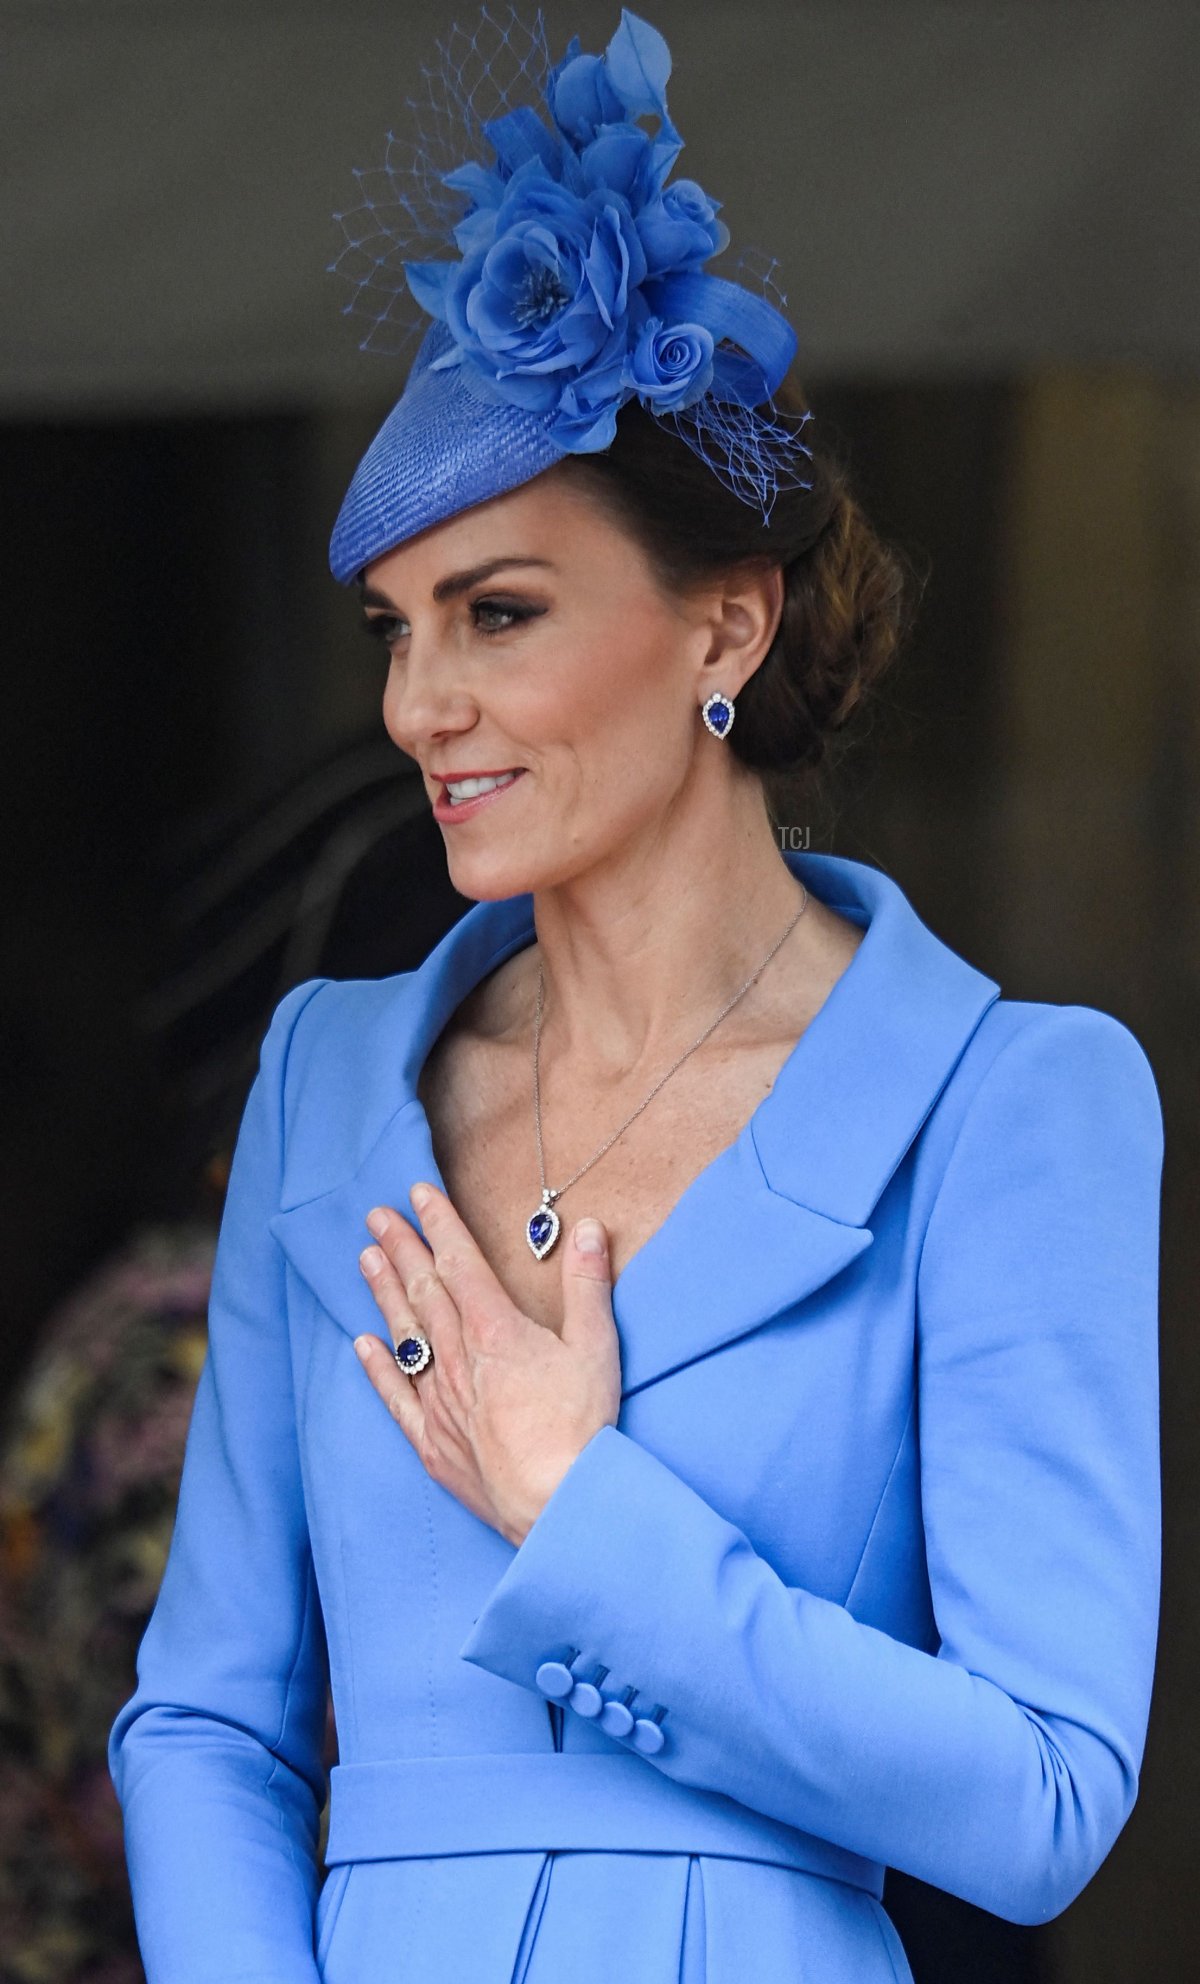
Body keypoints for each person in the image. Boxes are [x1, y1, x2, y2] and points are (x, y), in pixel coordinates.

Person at [107, 10, 1164, 1982]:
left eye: (499, 610)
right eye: (395, 630)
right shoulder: (325, 1075)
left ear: (725, 623)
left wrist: (583, 1507)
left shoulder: (1007, 1096)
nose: (422, 703)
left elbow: (1041, 1795)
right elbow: (205, 1720)